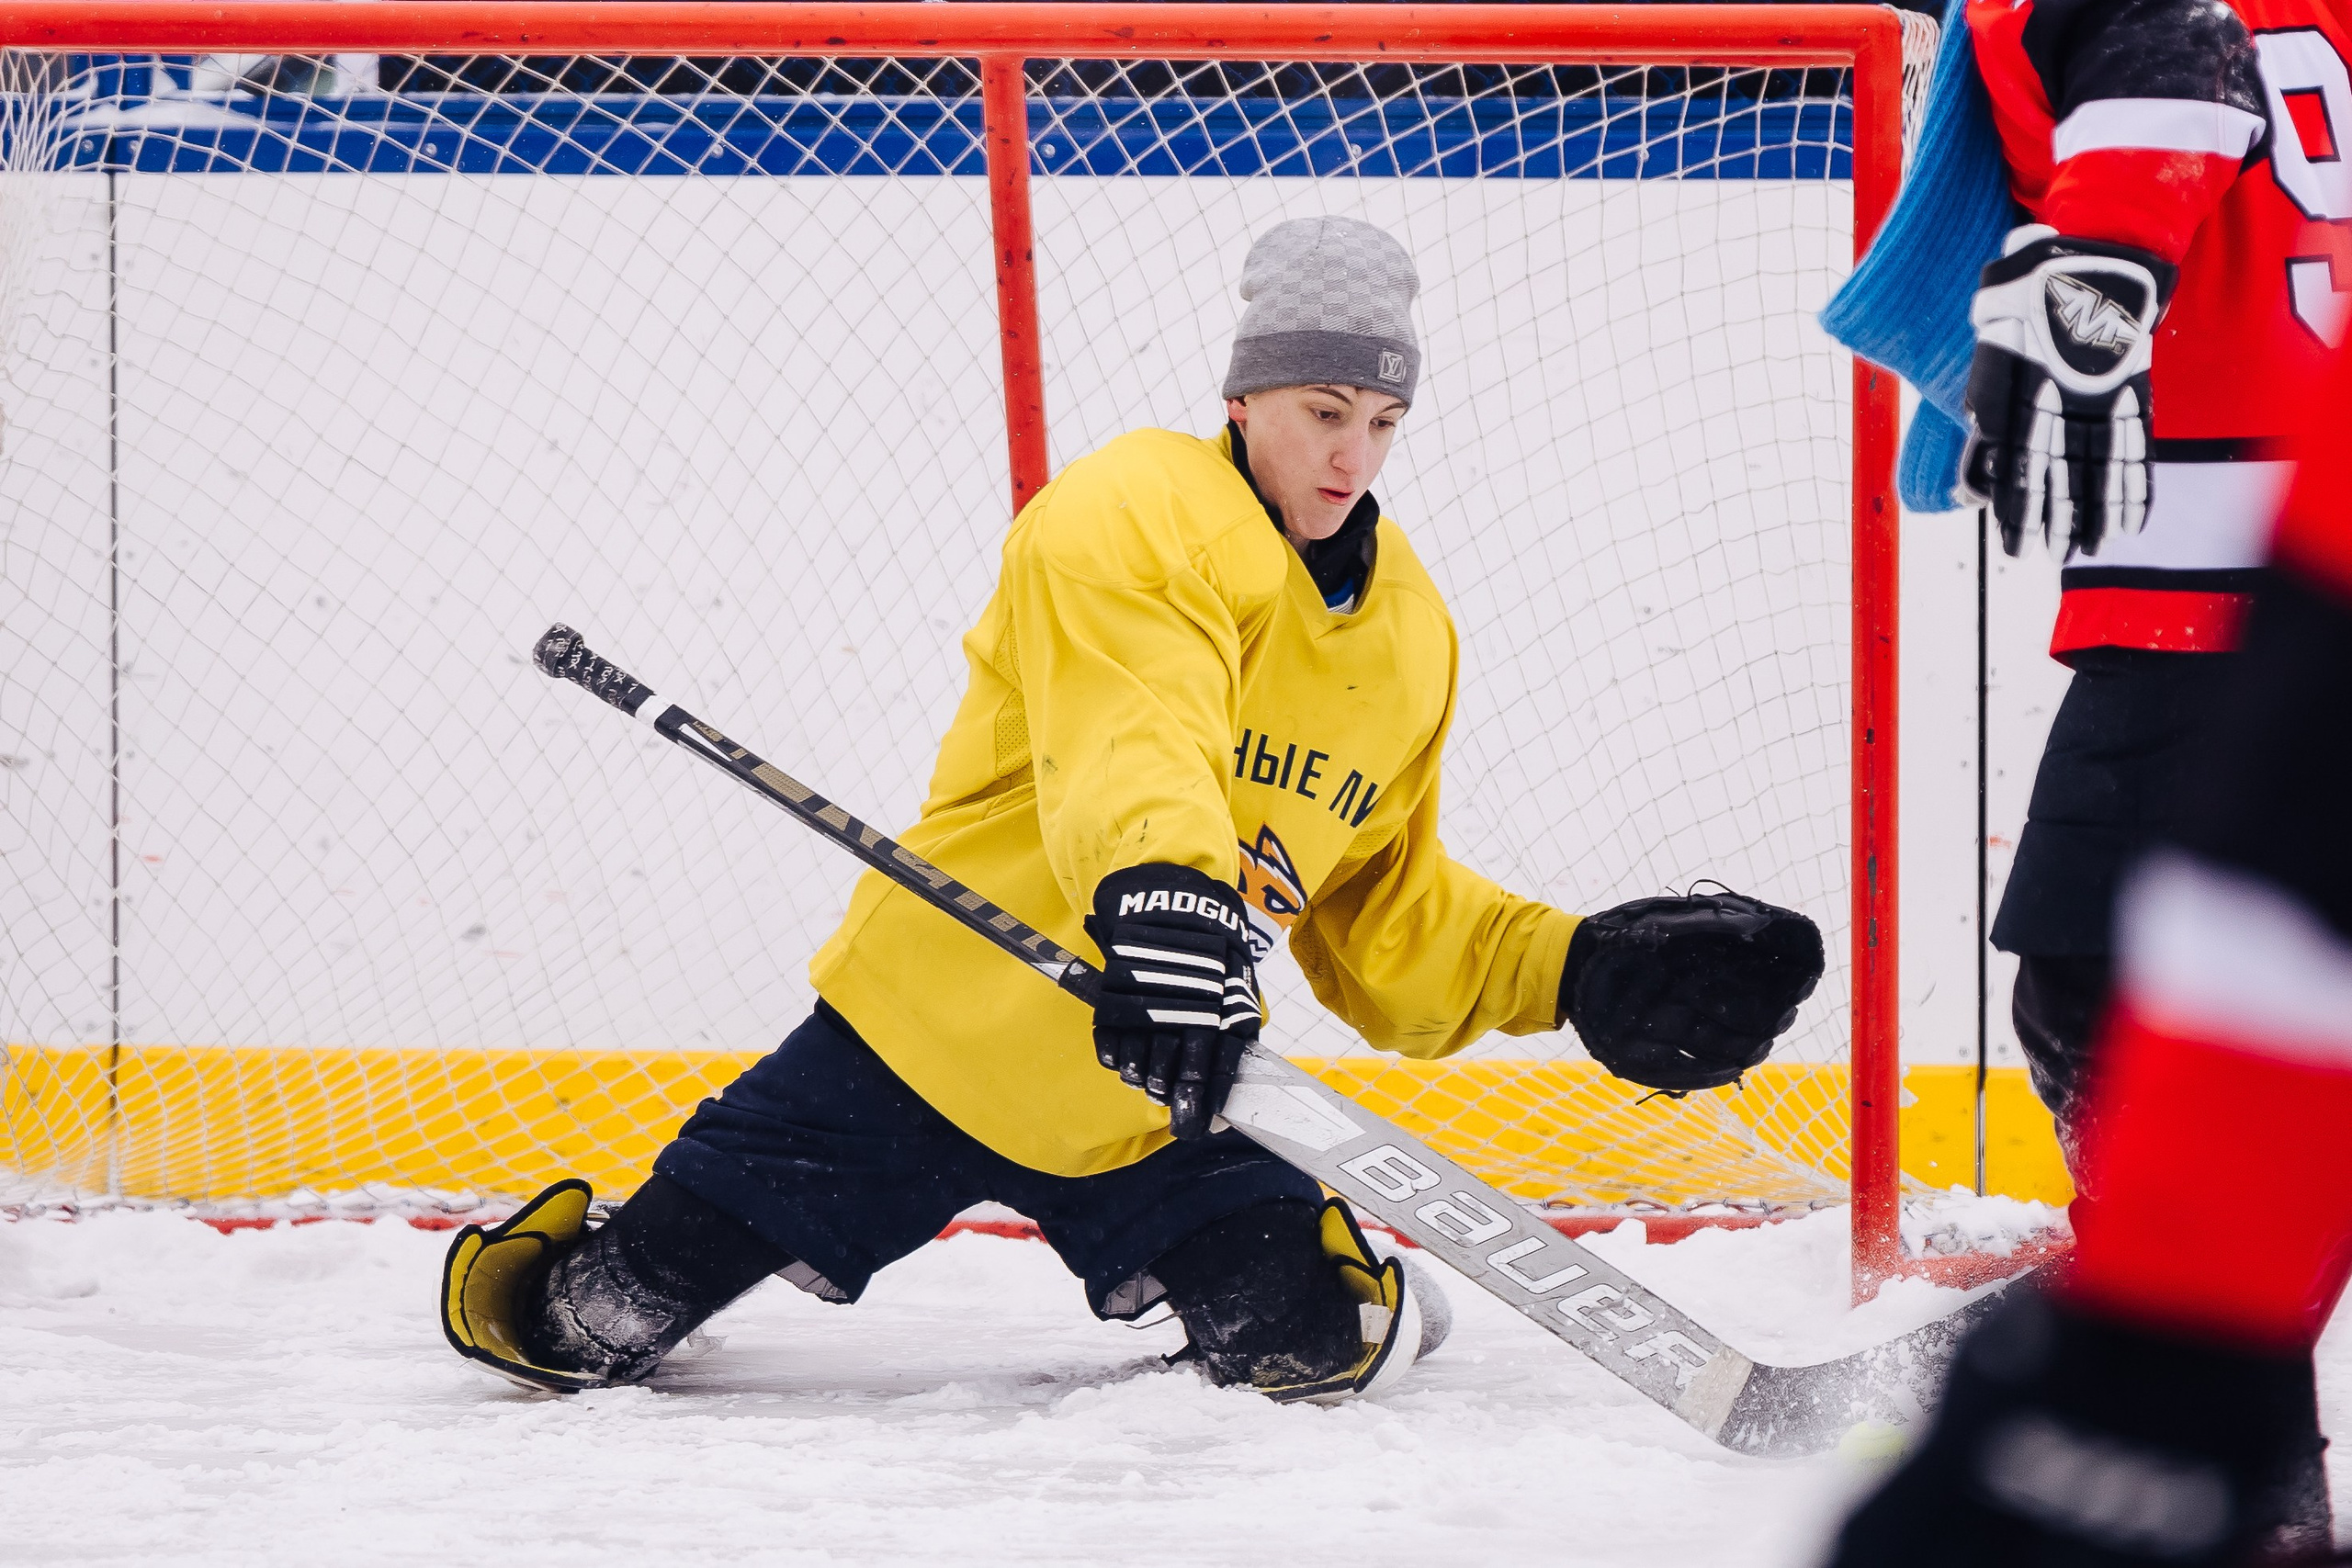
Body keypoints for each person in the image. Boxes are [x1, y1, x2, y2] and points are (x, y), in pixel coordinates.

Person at [438, 216, 1822, 1404]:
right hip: (925, 1032)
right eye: (1324, 412)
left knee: (1314, 1341)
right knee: (574, 1322)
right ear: (1246, 399)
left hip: (1159, 1076)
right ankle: (618, 1244)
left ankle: (1309, 1269)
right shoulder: (1131, 508)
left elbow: (1385, 915)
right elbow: (1133, 737)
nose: (1355, 456)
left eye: (1384, 421)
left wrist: (1568, 968)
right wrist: (1169, 897)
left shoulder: (1408, 634)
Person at [1825, 339, 2352, 1568]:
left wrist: (2139, 1389)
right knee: (2085, 984)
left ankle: (2247, 1454)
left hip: (2201, 590)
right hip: (2200, 586)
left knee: (2087, 989)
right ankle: (2242, 1448)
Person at [1959, 0, 2346, 1173]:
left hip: (2220, 597)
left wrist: (2102, 260)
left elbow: (2168, 51)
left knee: (2103, 988)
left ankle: (2156, 1317)